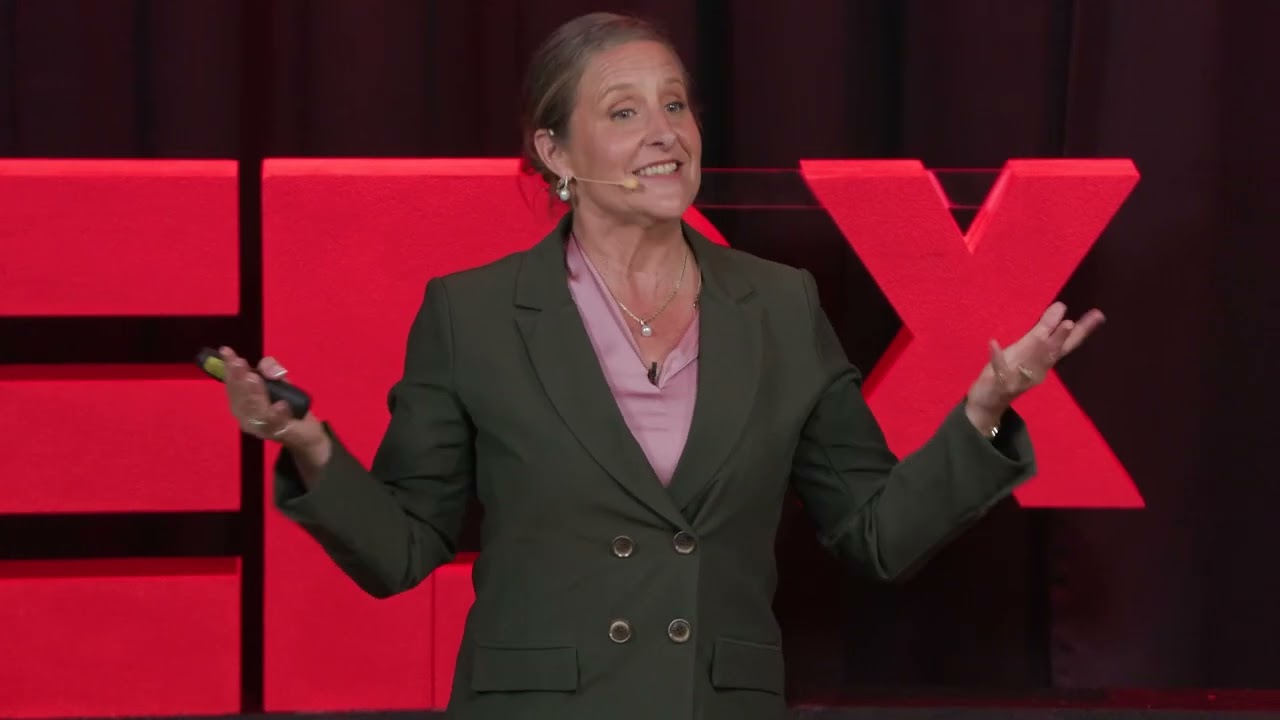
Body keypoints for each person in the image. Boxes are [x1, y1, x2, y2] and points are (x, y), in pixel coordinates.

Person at [218, 11, 1104, 720]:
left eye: (675, 104)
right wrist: (310, 448)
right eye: (623, 111)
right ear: (554, 154)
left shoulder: (782, 304)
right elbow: (404, 550)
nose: (664, 134)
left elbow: (876, 534)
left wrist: (985, 408)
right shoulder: (473, 314)